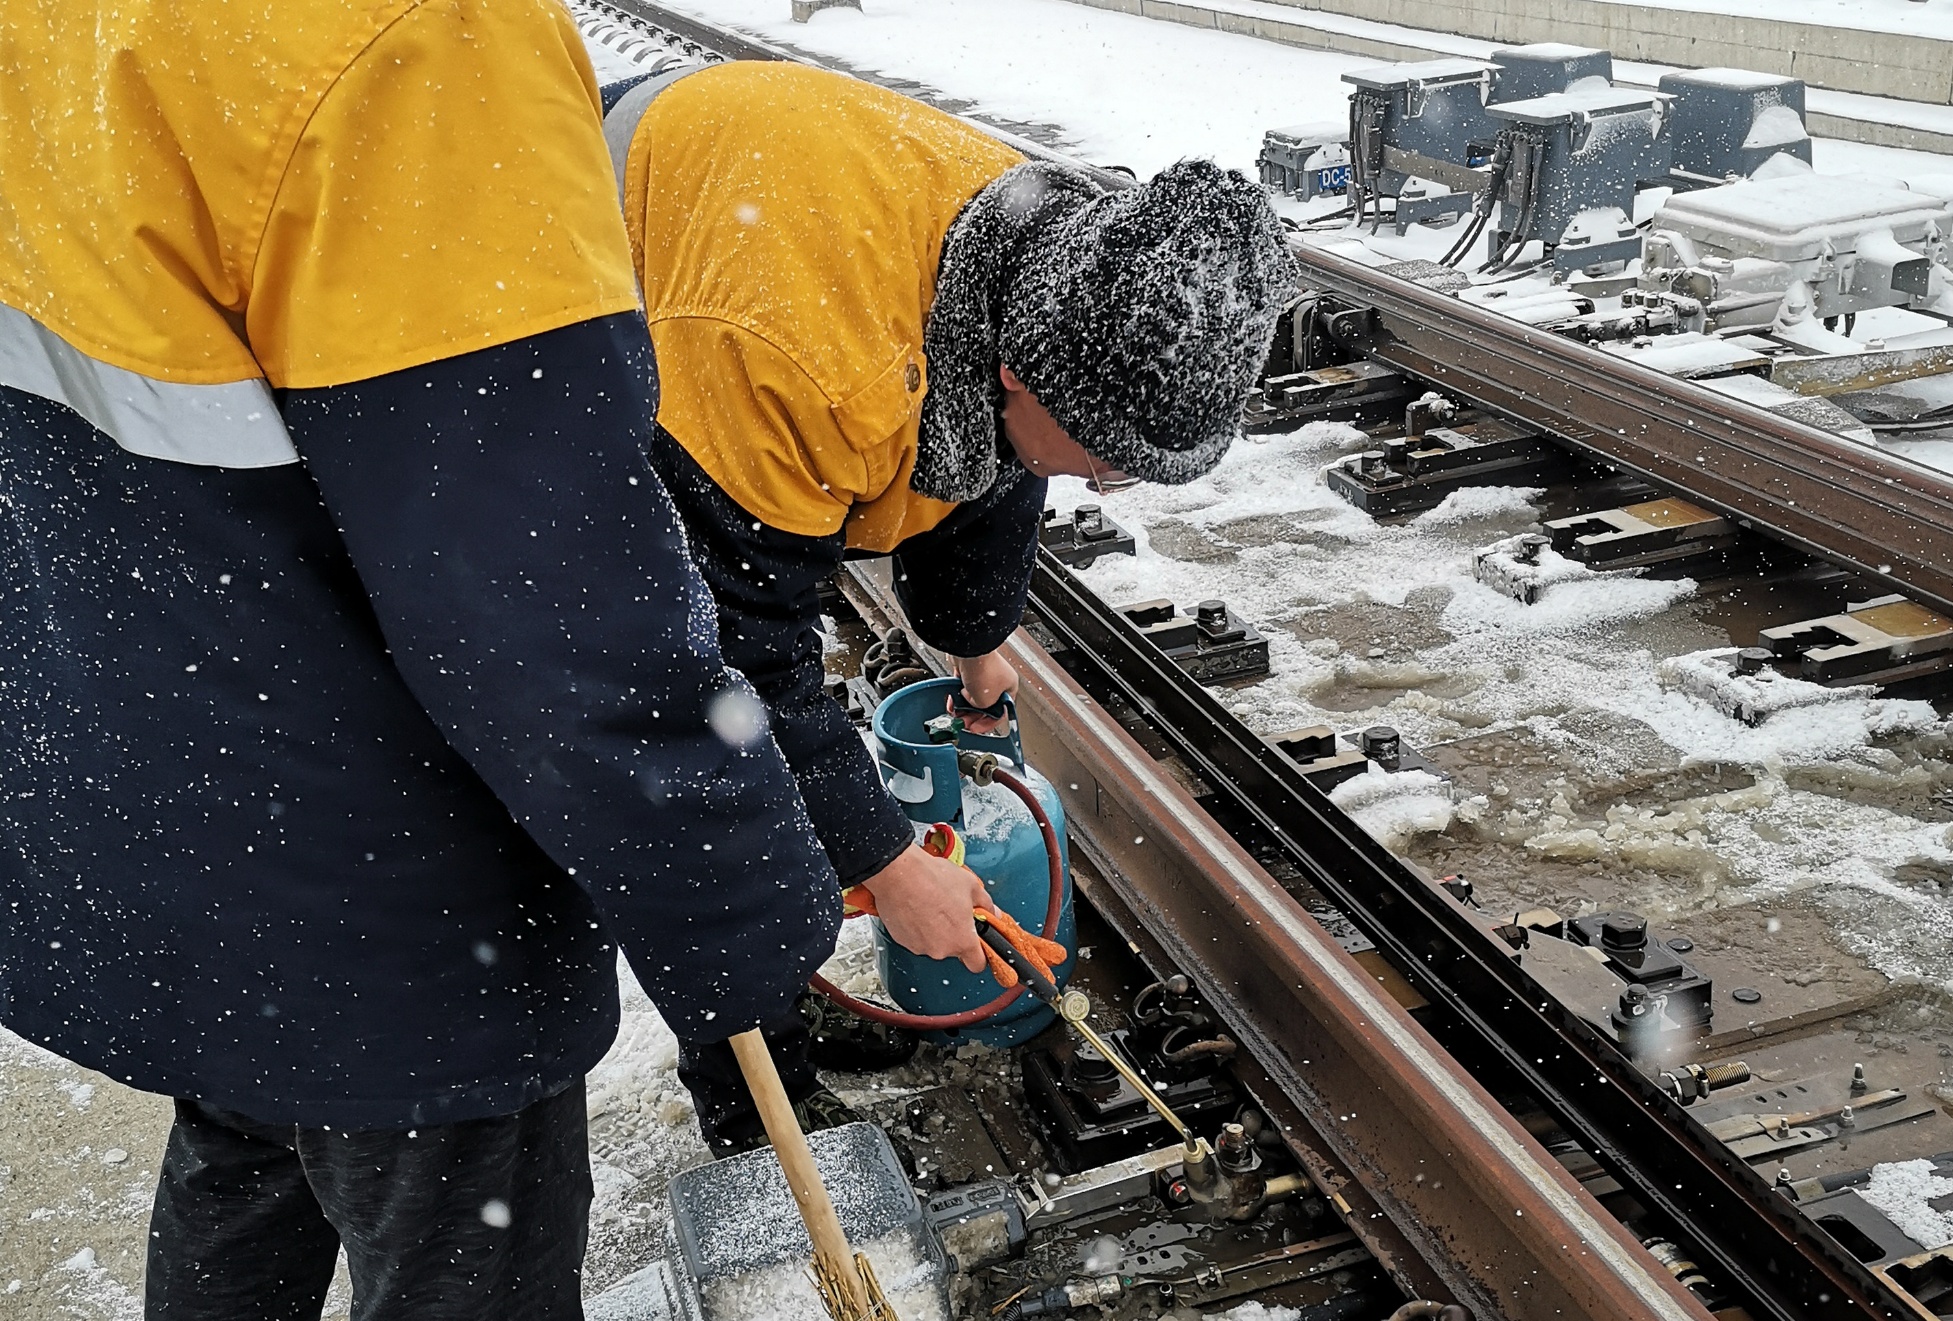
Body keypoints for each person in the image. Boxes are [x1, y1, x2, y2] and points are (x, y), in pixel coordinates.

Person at [0, 4, 839, 1316]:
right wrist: (732, 902)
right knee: (461, 1251)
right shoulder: (415, 36)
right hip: (383, 900)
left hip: (139, 797)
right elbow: (551, 596)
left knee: (244, 1160)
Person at [601, 60, 1299, 1152]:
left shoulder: (1039, 262)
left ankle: (782, 1011)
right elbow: (737, 658)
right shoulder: (805, 363)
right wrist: (884, 863)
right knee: (704, 777)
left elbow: (999, 460)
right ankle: (756, 1108)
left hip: (772, 200)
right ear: (1027, 373)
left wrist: (977, 641)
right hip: (604, 270)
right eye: (1111, 459)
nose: (1109, 485)